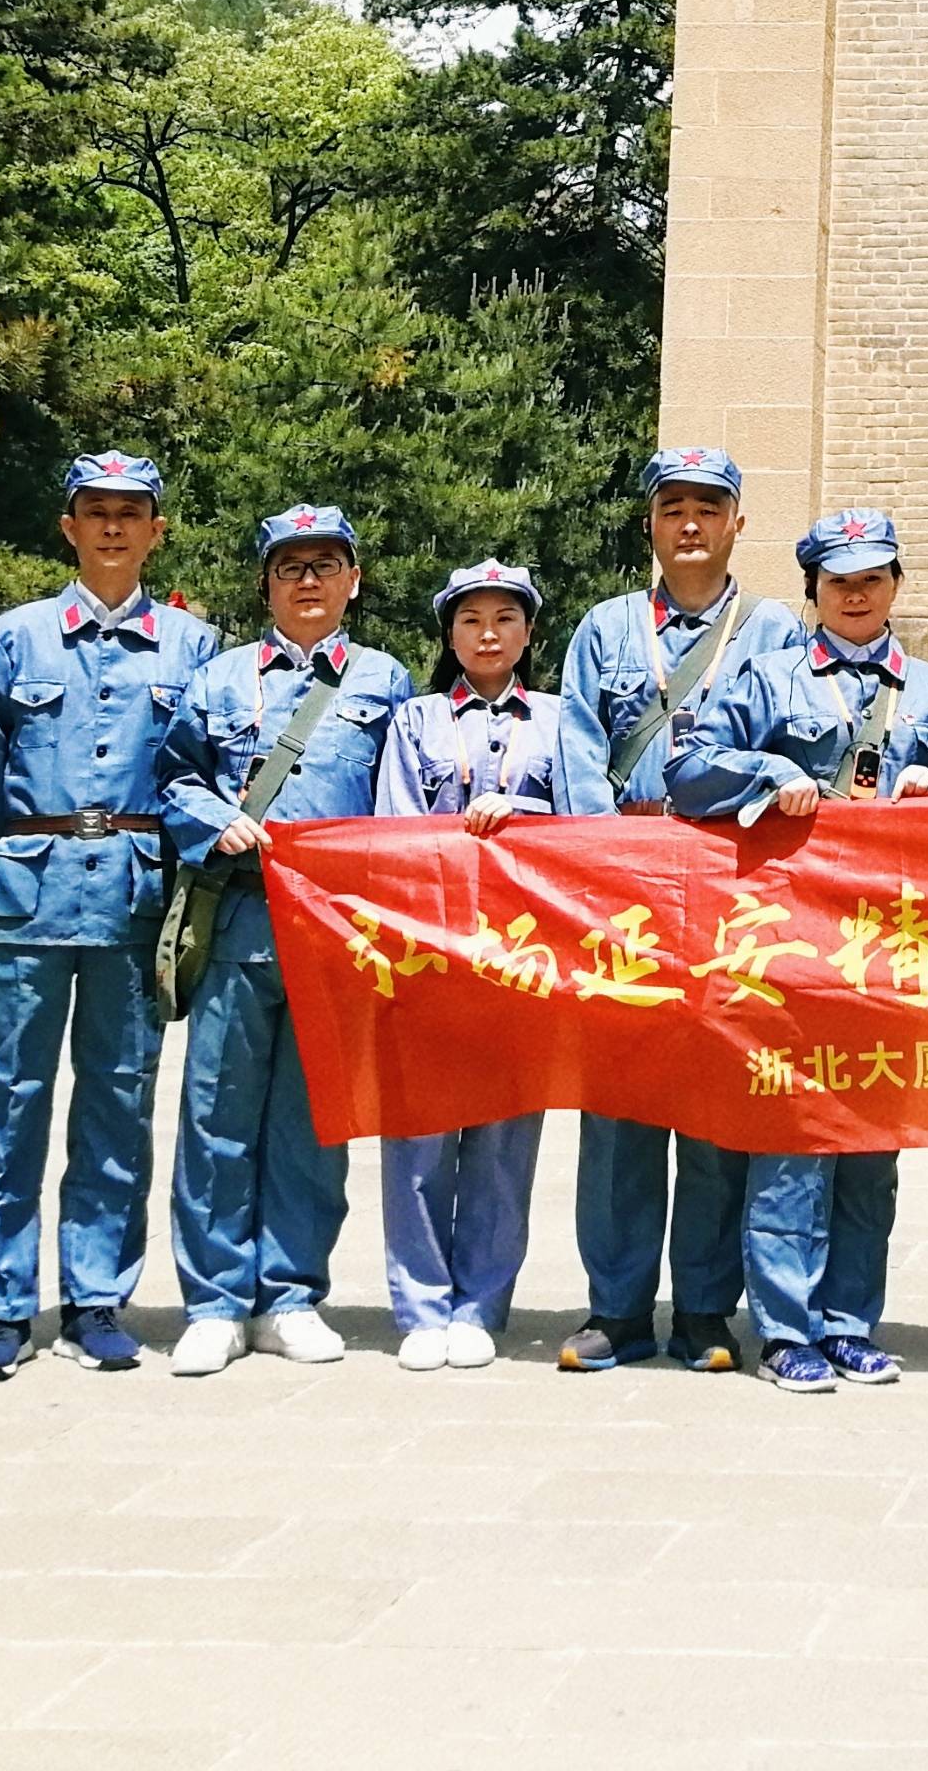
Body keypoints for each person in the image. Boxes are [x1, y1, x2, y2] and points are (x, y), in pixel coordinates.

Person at [671, 508, 928, 1392]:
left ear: (897, 587)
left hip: (896, 945)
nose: (859, 592)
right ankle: (786, 1327)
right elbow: (687, 770)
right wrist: (770, 772)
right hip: (794, 938)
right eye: (840, 580)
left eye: (874, 577)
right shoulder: (766, 679)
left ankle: (849, 1321)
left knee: (871, 1146)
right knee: (793, 1138)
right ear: (814, 591)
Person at [0, 452, 219, 1382]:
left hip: (134, 898)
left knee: (117, 1100)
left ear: (157, 530)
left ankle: (97, 1296)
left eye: (130, 512)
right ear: (67, 527)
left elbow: (200, 777)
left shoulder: (195, 646)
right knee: (6, 1102)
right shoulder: (14, 638)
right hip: (29, 891)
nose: (112, 527)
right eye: (94, 511)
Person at [550, 445, 805, 1373]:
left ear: (739, 523)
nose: (689, 524)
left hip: (730, 884)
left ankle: (705, 1306)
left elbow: (794, 744)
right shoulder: (607, 629)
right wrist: (596, 866)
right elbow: (576, 750)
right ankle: (615, 1307)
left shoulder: (774, 629)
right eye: (672, 509)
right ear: (651, 524)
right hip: (623, 884)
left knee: (713, 1102)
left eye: (709, 506)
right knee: (618, 1108)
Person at [155, 505, 415, 1378]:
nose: (308, 580)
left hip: (334, 937)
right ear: (267, 582)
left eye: (324, 564)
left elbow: (407, 800)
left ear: (353, 579)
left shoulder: (386, 681)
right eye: (289, 566)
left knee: (312, 1126)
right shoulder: (222, 679)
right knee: (216, 1117)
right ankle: (216, 1302)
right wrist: (215, 821)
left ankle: (293, 1295)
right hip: (235, 926)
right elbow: (174, 782)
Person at [372, 557, 567, 1375]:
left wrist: (519, 814)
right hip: (429, 954)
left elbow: (584, 829)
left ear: (528, 633)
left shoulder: (559, 720)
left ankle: (483, 1302)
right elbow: (393, 828)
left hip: (522, 958)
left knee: (501, 1139)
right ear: (449, 635)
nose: (488, 634)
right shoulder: (414, 720)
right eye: (470, 620)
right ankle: (420, 1304)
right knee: (417, 1135)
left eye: (506, 619)